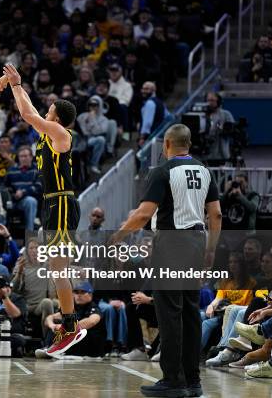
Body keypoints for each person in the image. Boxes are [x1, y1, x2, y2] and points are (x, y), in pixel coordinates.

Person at [109, 124, 222, 398]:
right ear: (190, 144)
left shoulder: (162, 171)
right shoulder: (205, 171)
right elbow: (216, 215)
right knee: (189, 313)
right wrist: (209, 249)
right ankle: (192, 380)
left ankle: (173, 380)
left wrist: (118, 235)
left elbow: (143, 214)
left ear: (167, 145)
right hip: (196, 241)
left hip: (171, 243)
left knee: (169, 313)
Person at [0, 64, 86, 357]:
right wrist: (15, 84)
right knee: (56, 269)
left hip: (61, 202)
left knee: (59, 269)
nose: (44, 112)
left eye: (48, 110)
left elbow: (26, 113)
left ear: (57, 118)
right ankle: (69, 326)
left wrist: (16, 84)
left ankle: (71, 327)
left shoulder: (61, 134)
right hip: (52, 203)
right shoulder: (48, 132)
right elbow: (30, 110)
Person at [36, 281, 105, 358]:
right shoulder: (72, 307)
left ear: (90, 294)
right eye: (76, 292)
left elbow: (92, 321)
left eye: (82, 292)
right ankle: (48, 347)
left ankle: (56, 350)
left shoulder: (94, 307)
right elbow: (50, 317)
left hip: (89, 345)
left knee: (71, 329)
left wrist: (67, 327)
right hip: (75, 340)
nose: (79, 295)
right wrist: (52, 325)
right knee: (57, 323)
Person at [4, 146, 41, 231]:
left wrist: (23, 192)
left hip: (29, 201)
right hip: (13, 200)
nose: (23, 158)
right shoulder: (12, 170)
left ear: (31, 157)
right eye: (21, 156)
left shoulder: (37, 170)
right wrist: (13, 194)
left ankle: (30, 234)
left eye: (26, 156)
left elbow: (39, 187)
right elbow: (6, 187)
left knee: (30, 201)